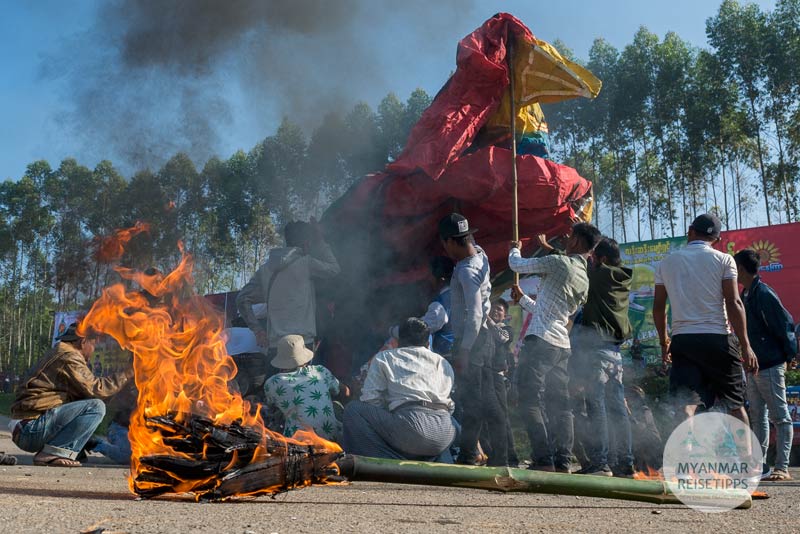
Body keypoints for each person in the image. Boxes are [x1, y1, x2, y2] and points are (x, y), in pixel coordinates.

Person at [508, 222, 601, 472]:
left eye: (570, 236)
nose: (567, 240)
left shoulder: (559, 262)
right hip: (561, 346)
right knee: (560, 407)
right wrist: (524, 300)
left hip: (540, 342)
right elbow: (550, 312)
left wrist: (514, 249)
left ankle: (542, 459)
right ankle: (561, 461)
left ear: (578, 242)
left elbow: (517, 265)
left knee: (529, 401)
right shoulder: (584, 279)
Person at [653, 213, 758, 425]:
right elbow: (734, 303)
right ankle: (749, 458)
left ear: (690, 231)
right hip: (718, 339)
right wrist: (746, 346)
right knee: (735, 405)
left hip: (683, 341)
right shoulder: (724, 259)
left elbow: (658, 309)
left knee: (686, 405)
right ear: (717, 240)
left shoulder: (666, 263)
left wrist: (665, 344)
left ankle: (687, 454)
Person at [10, 323, 134, 467]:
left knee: (89, 403)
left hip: (27, 427)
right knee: (96, 407)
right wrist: (129, 372)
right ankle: (52, 453)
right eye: (93, 345)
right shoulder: (69, 355)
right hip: (30, 429)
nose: (93, 351)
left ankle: (69, 449)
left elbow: (85, 396)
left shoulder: (61, 352)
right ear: (83, 342)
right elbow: (97, 389)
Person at [439, 213, 508, 466]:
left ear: (451, 241)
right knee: (488, 399)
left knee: (474, 400)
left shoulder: (468, 271)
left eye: (445, 244)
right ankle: (501, 455)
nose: (445, 249)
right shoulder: (480, 254)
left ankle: (472, 454)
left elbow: (476, 312)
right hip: (483, 338)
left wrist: (465, 349)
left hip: (474, 339)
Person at [342, 318, 457, 461]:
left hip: (411, 428)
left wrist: (389, 412)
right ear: (428, 344)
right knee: (448, 422)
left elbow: (371, 400)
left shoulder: (385, 357)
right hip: (445, 433)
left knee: (353, 410)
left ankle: (385, 463)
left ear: (399, 341)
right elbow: (450, 406)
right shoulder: (443, 362)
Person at [571, 237, 634, 477]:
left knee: (596, 406)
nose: (590, 261)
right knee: (617, 409)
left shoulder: (598, 277)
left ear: (603, 260)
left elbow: (575, 264)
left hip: (596, 351)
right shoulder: (620, 277)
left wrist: (549, 248)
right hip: (614, 353)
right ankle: (625, 463)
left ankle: (600, 464)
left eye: (594, 257)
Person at [734, 248, 796, 481]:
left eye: (733, 267)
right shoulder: (746, 294)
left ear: (740, 269)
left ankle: (782, 467)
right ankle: (759, 466)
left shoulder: (765, 294)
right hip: (753, 366)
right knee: (758, 415)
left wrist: (788, 357)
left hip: (770, 364)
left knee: (780, 417)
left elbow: (785, 325)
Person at [236, 220, 340, 355]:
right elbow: (334, 268)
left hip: (275, 346)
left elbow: (241, 299)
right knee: (302, 377)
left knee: (274, 377)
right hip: (302, 344)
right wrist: (320, 241)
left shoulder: (265, 269)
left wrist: (258, 330)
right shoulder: (306, 263)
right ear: (306, 243)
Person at [263, 335, 344, 441]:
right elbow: (339, 390)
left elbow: (270, 406)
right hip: (332, 438)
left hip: (298, 443)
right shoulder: (321, 371)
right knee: (336, 405)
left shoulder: (272, 383)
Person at [225, 316, 268, 405]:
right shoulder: (258, 332)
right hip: (257, 359)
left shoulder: (227, 332)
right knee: (256, 390)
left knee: (235, 392)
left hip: (233, 360)